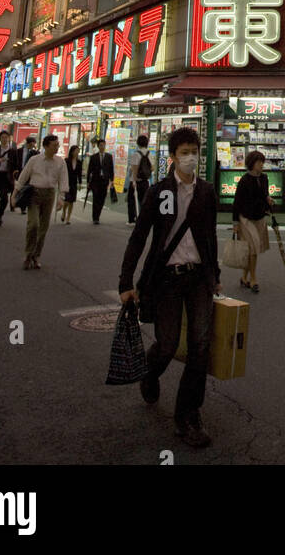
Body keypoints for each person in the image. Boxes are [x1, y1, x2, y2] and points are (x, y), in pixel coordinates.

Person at [119, 127, 221, 449]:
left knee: (200, 346)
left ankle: (188, 415)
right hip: (166, 279)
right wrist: (125, 281)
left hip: (199, 277)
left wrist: (214, 274)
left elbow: (210, 237)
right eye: (185, 152)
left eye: (195, 151)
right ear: (173, 156)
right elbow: (139, 237)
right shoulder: (159, 192)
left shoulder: (206, 192)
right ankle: (150, 374)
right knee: (167, 344)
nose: (191, 157)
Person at [10, 133, 68, 269]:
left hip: (49, 195)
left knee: (43, 228)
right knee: (33, 224)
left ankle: (36, 256)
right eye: (54, 145)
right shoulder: (35, 160)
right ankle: (28, 254)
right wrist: (14, 195)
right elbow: (23, 177)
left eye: (58, 145)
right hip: (35, 194)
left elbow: (63, 180)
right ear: (46, 146)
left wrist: (61, 198)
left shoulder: (60, 162)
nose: (57, 147)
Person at [232, 150, 274, 291]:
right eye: (259, 162)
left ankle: (244, 277)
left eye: (262, 162)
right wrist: (235, 223)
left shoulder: (264, 178)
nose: (262, 165)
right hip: (246, 219)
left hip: (259, 217)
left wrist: (268, 200)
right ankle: (253, 279)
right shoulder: (244, 180)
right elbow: (237, 202)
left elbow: (264, 195)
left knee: (251, 250)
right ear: (252, 163)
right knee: (254, 249)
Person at [127, 134, 154, 225]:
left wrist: (134, 181)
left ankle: (132, 219)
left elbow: (134, 168)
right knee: (144, 201)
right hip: (145, 181)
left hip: (136, 181)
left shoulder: (136, 154)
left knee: (132, 200)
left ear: (138, 143)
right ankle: (144, 219)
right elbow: (152, 168)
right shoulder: (150, 154)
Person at [88, 139, 115, 224]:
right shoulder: (93, 157)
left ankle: (98, 215)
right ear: (98, 146)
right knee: (96, 198)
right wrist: (88, 182)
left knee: (102, 199)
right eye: (101, 145)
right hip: (95, 181)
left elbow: (111, 169)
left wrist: (112, 180)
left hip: (104, 181)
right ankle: (95, 218)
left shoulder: (109, 157)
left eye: (103, 145)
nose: (102, 147)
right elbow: (90, 170)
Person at [16, 137, 39, 214]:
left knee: (26, 189)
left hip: (29, 174)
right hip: (19, 171)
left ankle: (23, 207)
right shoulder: (19, 151)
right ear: (29, 143)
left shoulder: (35, 152)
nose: (34, 144)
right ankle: (14, 201)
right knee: (18, 187)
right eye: (33, 142)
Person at [61, 145, 82, 223]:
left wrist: (80, 183)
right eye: (76, 150)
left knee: (71, 201)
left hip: (74, 183)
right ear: (72, 151)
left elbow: (79, 173)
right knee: (66, 200)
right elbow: (63, 172)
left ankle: (68, 218)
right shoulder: (66, 161)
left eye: (78, 151)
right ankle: (63, 212)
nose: (77, 152)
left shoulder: (79, 162)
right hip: (67, 182)